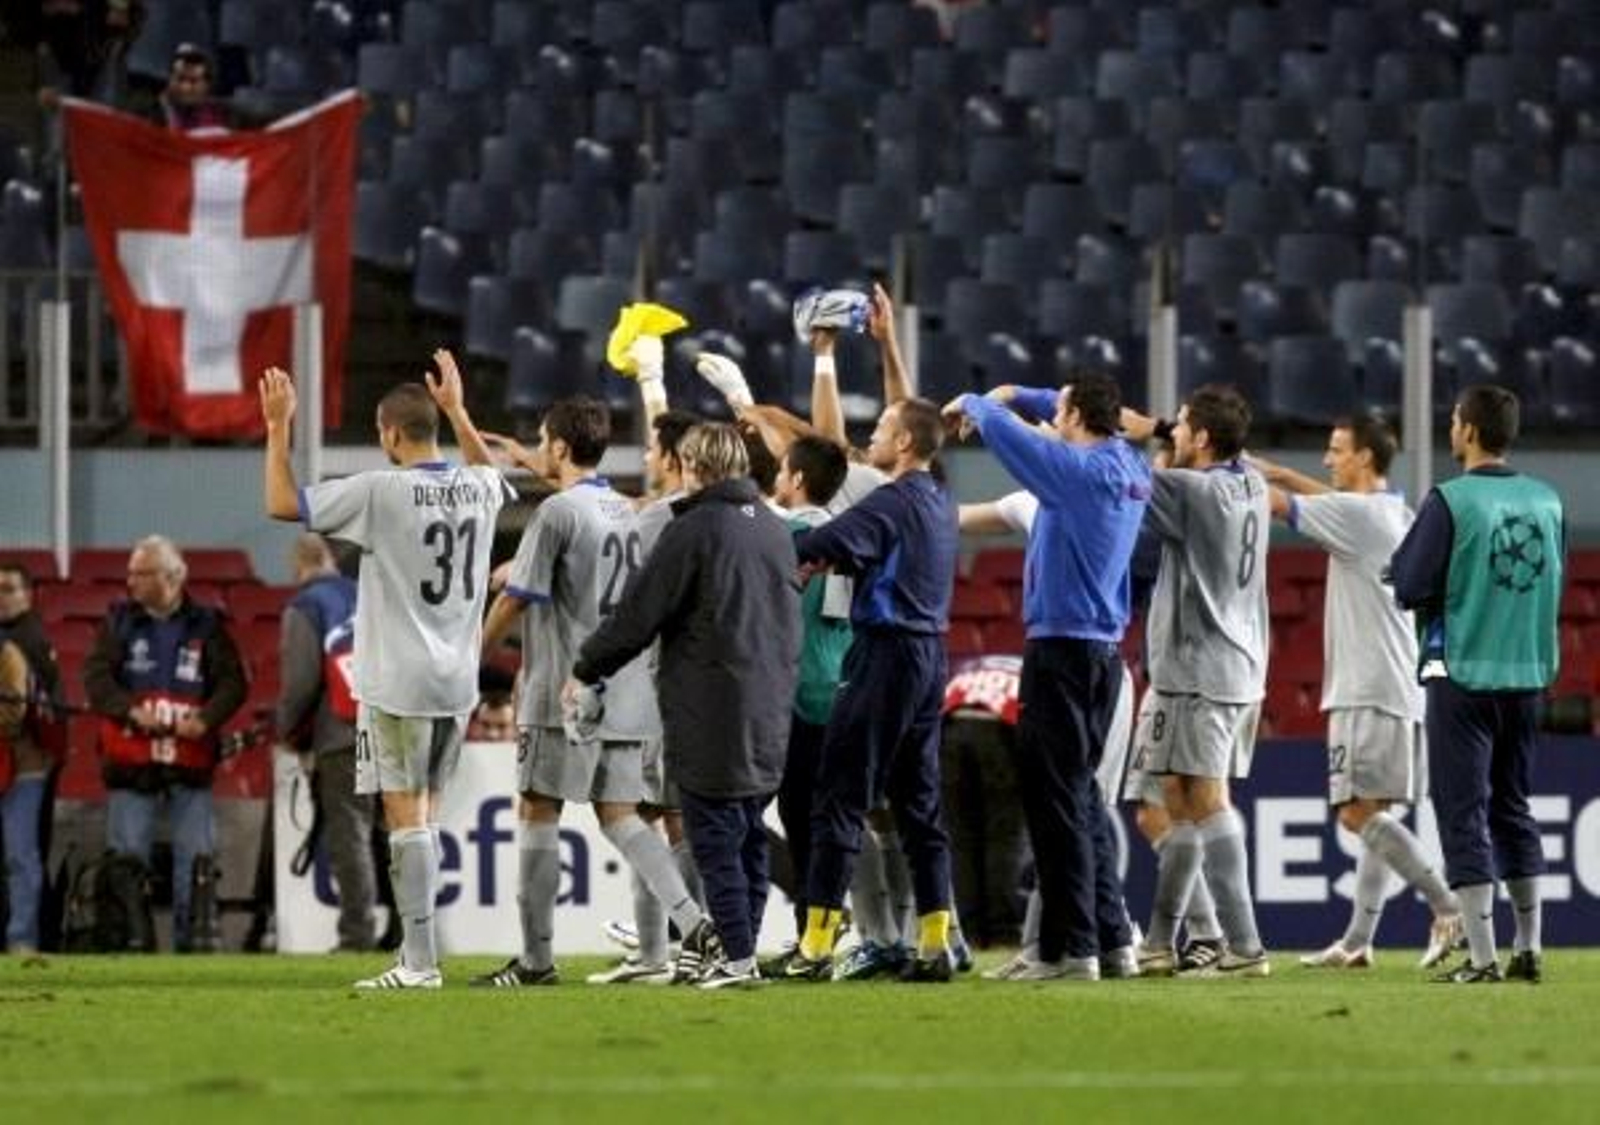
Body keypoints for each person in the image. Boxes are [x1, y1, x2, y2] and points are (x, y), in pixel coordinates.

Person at [260, 349, 512, 989]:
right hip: (457, 680)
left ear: (391, 433)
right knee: (424, 812)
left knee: (406, 817)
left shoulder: (380, 490)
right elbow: (489, 472)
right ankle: (419, 957)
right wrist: (459, 410)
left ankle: (420, 962)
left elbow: (283, 502)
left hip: (399, 676)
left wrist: (277, 425)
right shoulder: (480, 487)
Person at [468, 397, 712, 988]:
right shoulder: (635, 510)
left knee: (538, 809)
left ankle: (536, 961)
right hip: (631, 691)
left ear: (558, 447)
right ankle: (695, 924)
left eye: (544, 441)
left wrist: (470, 654)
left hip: (563, 690)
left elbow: (516, 595)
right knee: (625, 816)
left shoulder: (557, 512)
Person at [571, 423, 802, 989]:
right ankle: (741, 949)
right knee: (747, 834)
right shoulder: (772, 527)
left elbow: (638, 615)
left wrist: (586, 667)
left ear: (693, 466)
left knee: (716, 838)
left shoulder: (692, 529)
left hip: (712, 704)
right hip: (770, 706)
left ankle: (739, 960)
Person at [943, 374, 1150, 981]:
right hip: (1103, 655)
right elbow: (1055, 417)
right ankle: (1112, 942)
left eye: (1060, 410)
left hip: (1061, 650)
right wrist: (1017, 394)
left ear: (1077, 418)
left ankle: (1070, 950)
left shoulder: (1075, 475)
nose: (1052, 416)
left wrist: (979, 402)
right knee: (1080, 799)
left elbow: (1016, 442)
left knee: (1054, 807)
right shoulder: (1126, 463)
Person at [1252, 418, 1465, 970]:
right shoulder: (1394, 510)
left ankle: (1449, 906)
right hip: (1398, 686)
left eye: (1336, 450)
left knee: (1353, 812)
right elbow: (1326, 498)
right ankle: (1356, 941)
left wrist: (1222, 465)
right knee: (1375, 812)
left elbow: (1274, 504)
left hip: (1367, 687)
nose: (1328, 460)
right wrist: (1276, 468)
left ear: (1365, 458)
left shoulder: (1360, 515)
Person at [1390, 385, 1565, 984]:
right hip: (1528, 671)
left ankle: (1485, 958)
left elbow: (1409, 584)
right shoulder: (1547, 500)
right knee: (1514, 806)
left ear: (1466, 430)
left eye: (1455, 420)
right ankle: (1531, 949)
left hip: (1462, 669)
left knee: (1463, 810)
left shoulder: (1450, 500)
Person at [787, 397, 960, 982]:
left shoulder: (891, 501)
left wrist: (777, 554)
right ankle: (934, 943)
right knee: (919, 803)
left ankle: (813, 947)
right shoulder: (939, 498)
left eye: (884, 429)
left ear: (906, 443)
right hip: (930, 657)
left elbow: (816, 543)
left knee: (839, 796)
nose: (873, 437)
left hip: (885, 655)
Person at [1121, 386, 1272, 978]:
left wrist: (1139, 437)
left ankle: (1245, 945)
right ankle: (1160, 943)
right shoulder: (1250, 481)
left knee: (1204, 798)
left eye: (1183, 426)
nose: (1173, 434)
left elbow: (1122, 479)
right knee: (1174, 799)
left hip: (1200, 666)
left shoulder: (1190, 488)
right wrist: (1164, 428)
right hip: (1231, 665)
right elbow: (1194, 451)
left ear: (1203, 439)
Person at [83, 535, 248, 952]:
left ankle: (190, 948)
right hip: (131, 762)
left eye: (142, 573)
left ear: (172, 577)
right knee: (126, 860)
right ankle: (130, 946)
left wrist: (207, 718)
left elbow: (233, 683)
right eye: (131, 572)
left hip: (191, 764)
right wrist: (129, 711)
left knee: (194, 863)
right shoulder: (118, 620)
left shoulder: (207, 624)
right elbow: (96, 679)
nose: (131, 581)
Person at [761, 434, 852, 972]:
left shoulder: (780, 537)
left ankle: (810, 929)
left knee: (745, 813)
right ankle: (816, 933)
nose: (776, 478)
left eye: (781, 471)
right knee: (816, 818)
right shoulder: (848, 536)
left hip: (789, 692)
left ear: (795, 480)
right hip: (838, 683)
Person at [275, 532, 376, 953]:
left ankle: (358, 933)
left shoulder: (306, 606)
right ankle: (409, 931)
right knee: (398, 834)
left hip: (340, 733)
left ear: (299, 566)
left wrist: (287, 732)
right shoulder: (369, 596)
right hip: (390, 727)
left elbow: (300, 682)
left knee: (350, 835)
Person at [0, 563, 64, 955]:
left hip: (24, 763)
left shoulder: (28, 642)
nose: (1, 598)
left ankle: (23, 936)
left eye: (8, 589)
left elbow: (15, 713)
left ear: (28, 594)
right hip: (24, 762)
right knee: (22, 854)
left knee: (22, 854)